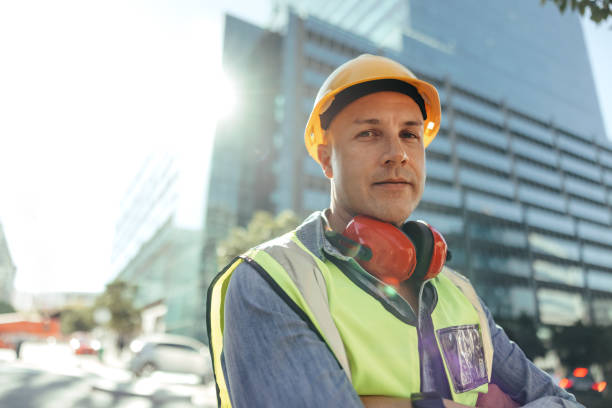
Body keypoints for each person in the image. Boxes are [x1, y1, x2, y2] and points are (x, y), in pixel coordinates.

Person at [207, 54, 583, 408]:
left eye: (409, 134)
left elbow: (565, 402)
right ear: (326, 159)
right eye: (369, 134)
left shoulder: (460, 294)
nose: (397, 153)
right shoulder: (271, 280)